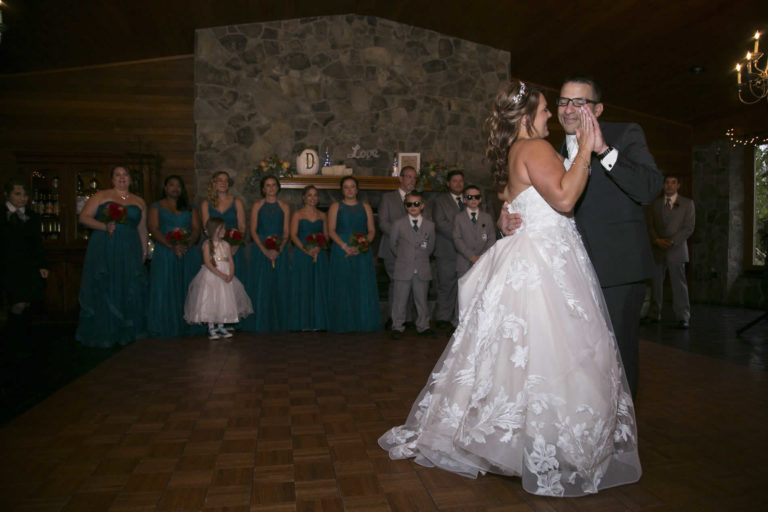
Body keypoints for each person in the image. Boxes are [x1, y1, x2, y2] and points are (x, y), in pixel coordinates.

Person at [379, 81, 641, 497]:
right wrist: (587, 152)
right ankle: (549, 441)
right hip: (544, 264)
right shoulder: (534, 149)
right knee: (553, 351)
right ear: (525, 118)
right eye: (543, 111)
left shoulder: (511, 154)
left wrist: (505, 218)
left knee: (521, 359)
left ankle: (524, 439)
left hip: (540, 254)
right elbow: (566, 199)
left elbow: (512, 203)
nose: (550, 116)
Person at [499, 75, 663, 397]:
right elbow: (525, 193)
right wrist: (506, 216)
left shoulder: (625, 133)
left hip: (617, 269)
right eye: (562, 101)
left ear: (598, 109)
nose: (568, 109)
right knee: (580, 360)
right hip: (569, 274)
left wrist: (602, 149)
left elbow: (649, 188)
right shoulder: (551, 150)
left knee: (618, 357)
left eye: (579, 102)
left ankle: (618, 434)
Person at [76, 165, 148, 347]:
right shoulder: (101, 196)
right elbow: (83, 217)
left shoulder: (139, 201)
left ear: (131, 179)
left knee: (128, 283)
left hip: (130, 246)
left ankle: (126, 330)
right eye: (117, 175)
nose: (122, 178)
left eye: (125, 175)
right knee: (106, 283)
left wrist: (144, 249)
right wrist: (104, 226)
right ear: (112, 179)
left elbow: (142, 228)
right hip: (106, 244)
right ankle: (106, 330)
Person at [147, 175, 202, 338]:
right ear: (165, 188)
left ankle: (189, 324)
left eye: (178, 185)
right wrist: (171, 246)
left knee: (188, 286)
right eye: (171, 185)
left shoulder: (190, 208)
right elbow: (154, 228)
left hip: (188, 252)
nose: (175, 188)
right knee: (165, 286)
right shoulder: (156, 207)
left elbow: (197, 229)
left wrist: (187, 245)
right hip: (165, 251)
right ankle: (165, 323)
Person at [327, 176, 382, 332]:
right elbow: (331, 230)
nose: (349, 190)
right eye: (346, 187)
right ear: (342, 190)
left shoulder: (366, 207)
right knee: (343, 285)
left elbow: (371, 231)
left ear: (357, 189)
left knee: (361, 285)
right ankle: (343, 323)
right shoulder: (335, 207)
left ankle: (363, 321)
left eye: (352, 187)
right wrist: (345, 246)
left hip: (362, 250)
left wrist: (363, 243)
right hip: (341, 249)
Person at [184, 217, 252, 339]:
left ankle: (221, 325)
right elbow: (208, 262)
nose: (224, 231)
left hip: (226, 275)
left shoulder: (226, 244)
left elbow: (231, 260)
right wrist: (220, 274)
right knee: (211, 299)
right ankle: (211, 327)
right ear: (214, 230)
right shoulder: (207, 244)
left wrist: (231, 273)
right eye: (221, 229)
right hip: (212, 275)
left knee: (223, 299)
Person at [0, 179, 49, 345]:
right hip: (8, 266)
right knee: (17, 303)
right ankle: (11, 340)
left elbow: (38, 243)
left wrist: (43, 264)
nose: (22, 198)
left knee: (27, 303)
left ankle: (21, 341)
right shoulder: (2, 214)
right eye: (18, 194)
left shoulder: (32, 216)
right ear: (7, 194)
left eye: (25, 195)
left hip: (29, 267)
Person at [645, 174, 695, 329]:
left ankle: (683, 317)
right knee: (656, 284)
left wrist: (672, 241)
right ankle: (654, 314)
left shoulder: (687, 204)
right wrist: (656, 240)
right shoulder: (656, 204)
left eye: (673, 182)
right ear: (663, 185)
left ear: (678, 186)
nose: (669, 185)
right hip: (658, 249)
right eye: (667, 182)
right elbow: (650, 226)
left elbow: (688, 227)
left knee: (679, 284)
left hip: (677, 249)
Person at [242, 175, 291, 333]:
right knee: (261, 284)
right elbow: (253, 231)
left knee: (279, 284)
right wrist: (264, 250)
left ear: (278, 187)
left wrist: (278, 249)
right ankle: (260, 321)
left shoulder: (284, 206)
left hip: (279, 249)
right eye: (267, 185)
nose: (271, 188)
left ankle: (279, 322)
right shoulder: (257, 205)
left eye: (273, 185)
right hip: (260, 248)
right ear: (263, 189)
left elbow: (286, 232)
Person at [377, 165, 424, 328]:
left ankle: (408, 319)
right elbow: (382, 222)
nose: (411, 180)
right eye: (408, 176)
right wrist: (402, 236)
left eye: (414, 177)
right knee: (396, 284)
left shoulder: (419, 199)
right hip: (393, 248)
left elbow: (426, 223)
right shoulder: (388, 198)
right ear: (401, 178)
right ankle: (395, 318)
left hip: (415, 251)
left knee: (414, 283)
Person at [389, 190, 436, 339]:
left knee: (421, 300)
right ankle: (397, 326)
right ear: (405, 206)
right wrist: (406, 257)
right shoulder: (398, 224)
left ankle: (423, 325)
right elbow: (393, 245)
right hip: (403, 268)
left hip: (422, 268)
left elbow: (431, 247)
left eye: (416, 204)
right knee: (399, 300)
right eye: (409, 204)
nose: (413, 207)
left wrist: (418, 258)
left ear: (422, 206)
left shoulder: (430, 226)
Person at [289, 185, 329, 331]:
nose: (313, 198)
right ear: (304, 197)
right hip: (302, 254)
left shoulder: (323, 215)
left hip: (319, 254)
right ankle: (303, 321)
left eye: (315, 195)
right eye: (310, 195)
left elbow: (326, 235)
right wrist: (306, 249)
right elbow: (293, 235)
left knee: (318, 285)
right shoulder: (298, 214)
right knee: (303, 285)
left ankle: (318, 321)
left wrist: (319, 246)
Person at [431, 170, 465, 329]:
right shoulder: (440, 201)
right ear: (448, 184)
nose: (458, 184)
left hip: (467, 253)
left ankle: (460, 319)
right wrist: (462, 236)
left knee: (464, 285)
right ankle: (443, 319)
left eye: (460, 181)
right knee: (446, 285)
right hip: (447, 250)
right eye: (455, 181)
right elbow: (440, 223)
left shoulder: (470, 198)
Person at [200, 171, 247, 281]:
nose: (223, 182)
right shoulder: (206, 204)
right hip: (213, 248)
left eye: (226, 180)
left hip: (234, 247)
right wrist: (216, 248)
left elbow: (242, 227)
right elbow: (206, 228)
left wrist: (235, 245)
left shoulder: (237, 202)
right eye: (220, 180)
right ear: (214, 183)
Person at [452, 185, 496, 277]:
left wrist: (482, 257)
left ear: (480, 199)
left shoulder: (487, 218)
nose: (473, 199)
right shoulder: (458, 218)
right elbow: (457, 239)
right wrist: (472, 257)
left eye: (477, 197)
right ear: (464, 200)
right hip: (464, 263)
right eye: (469, 197)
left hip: (483, 262)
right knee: (464, 290)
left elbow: (491, 239)